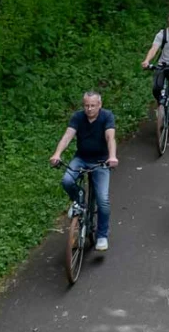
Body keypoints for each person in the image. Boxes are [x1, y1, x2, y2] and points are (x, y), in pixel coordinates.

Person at [49, 91, 118, 252]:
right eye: (86, 105)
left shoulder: (107, 116)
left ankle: (102, 235)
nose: (89, 109)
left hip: (101, 162)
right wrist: (57, 154)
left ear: (99, 105)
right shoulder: (78, 117)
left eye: (93, 105)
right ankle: (79, 201)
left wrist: (112, 156)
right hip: (81, 158)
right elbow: (67, 136)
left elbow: (110, 137)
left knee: (103, 200)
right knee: (67, 180)